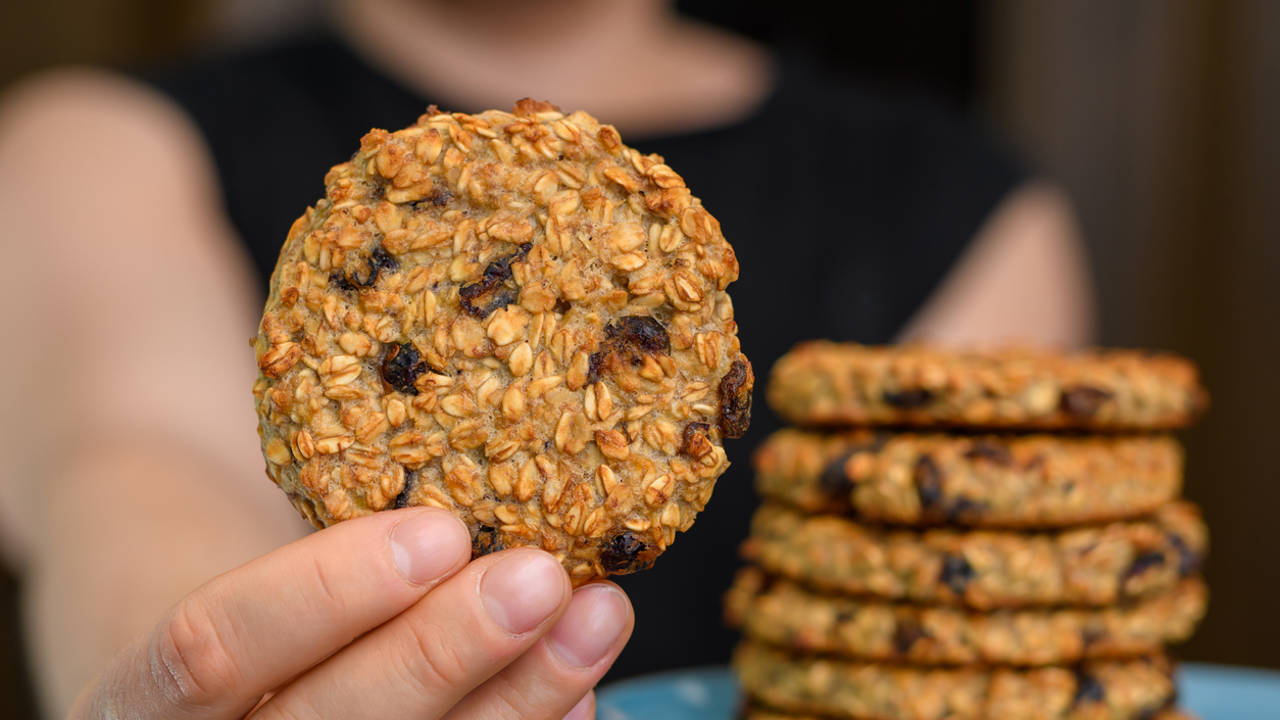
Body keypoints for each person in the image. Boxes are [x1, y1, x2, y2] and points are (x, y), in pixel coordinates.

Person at [0, 0, 1092, 717]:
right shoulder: (98, 148)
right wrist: (198, 671)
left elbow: (950, 635)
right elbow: (136, 462)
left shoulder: (957, 207)